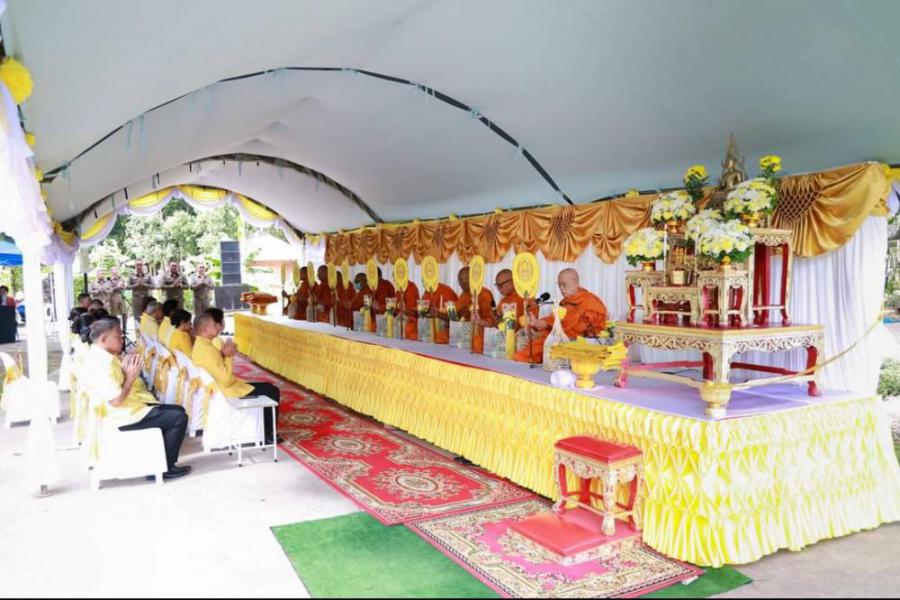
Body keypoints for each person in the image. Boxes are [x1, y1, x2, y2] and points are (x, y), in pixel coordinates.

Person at [81, 317, 190, 479]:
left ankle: (159, 461)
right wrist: (131, 378)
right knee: (178, 417)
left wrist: (125, 371)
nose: (122, 341)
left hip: (124, 409)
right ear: (104, 339)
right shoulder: (101, 364)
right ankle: (164, 468)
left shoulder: (101, 355)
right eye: (118, 337)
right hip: (121, 416)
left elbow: (116, 386)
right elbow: (116, 400)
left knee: (178, 410)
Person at [192, 313, 280, 444]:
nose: (217, 326)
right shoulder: (207, 350)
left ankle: (265, 431)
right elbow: (226, 381)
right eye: (214, 325)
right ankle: (267, 434)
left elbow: (216, 365)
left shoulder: (203, 345)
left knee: (268, 387)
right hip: (226, 391)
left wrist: (223, 354)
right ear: (205, 330)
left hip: (223, 387)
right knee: (272, 391)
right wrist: (228, 357)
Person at [514, 268, 608, 364]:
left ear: (576, 282)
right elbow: (552, 321)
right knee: (539, 343)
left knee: (540, 345)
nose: (561, 288)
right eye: (559, 285)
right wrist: (535, 323)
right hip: (558, 340)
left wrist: (584, 338)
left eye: (564, 284)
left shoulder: (589, 301)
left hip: (578, 345)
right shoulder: (564, 303)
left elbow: (599, 328)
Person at [454, 267, 495, 353]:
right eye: (459, 281)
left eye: (464, 280)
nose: (461, 283)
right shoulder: (463, 294)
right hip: (463, 337)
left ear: (472, 278)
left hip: (480, 339)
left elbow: (491, 321)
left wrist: (478, 321)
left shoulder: (484, 294)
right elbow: (457, 315)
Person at [423, 276, 458, 344]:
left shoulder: (446, 291)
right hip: (429, 330)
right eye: (423, 281)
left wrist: (438, 313)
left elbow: (453, 317)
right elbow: (421, 311)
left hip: (447, 331)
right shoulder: (427, 292)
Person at [128, 260, 154, 326]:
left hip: (146, 298)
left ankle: (147, 331)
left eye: (140, 265)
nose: (139, 266)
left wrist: (144, 284)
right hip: (136, 299)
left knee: (148, 315)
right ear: (135, 266)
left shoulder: (148, 275)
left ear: (143, 265)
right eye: (137, 265)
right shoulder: (131, 275)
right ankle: (138, 331)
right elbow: (127, 287)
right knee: (137, 317)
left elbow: (153, 286)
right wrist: (136, 285)